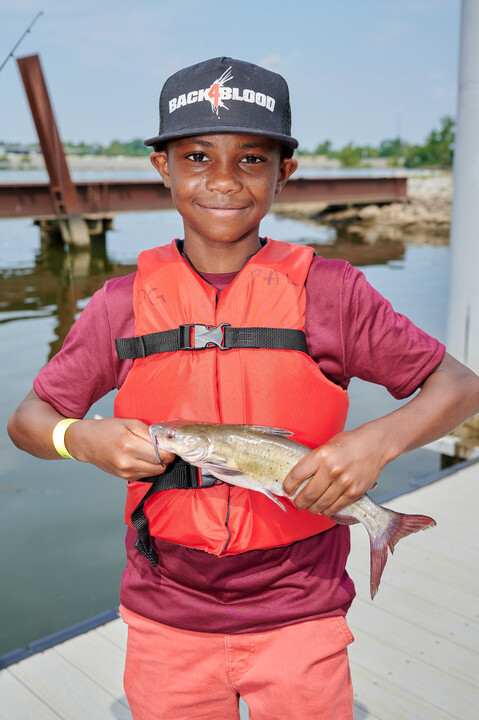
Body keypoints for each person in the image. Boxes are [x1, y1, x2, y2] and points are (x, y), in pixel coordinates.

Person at [8, 56, 479, 720]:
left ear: (284, 172)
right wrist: (78, 437)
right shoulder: (118, 305)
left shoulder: (332, 292)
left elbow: (458, 386)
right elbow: (28, 420)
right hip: (164, 614)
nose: (223, 180)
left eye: (251, 159)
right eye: (197, 156)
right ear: (162, 167)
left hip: (301, 611)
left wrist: (376, 444)